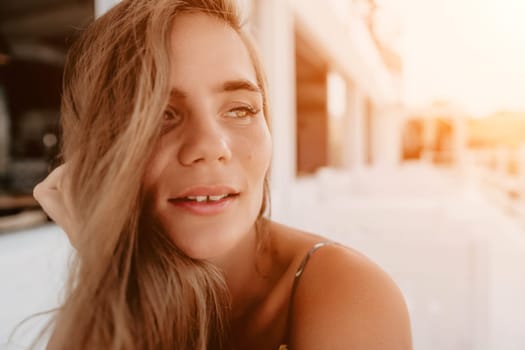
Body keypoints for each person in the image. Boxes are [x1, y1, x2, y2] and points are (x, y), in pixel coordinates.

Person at [33, 0, 412, 349]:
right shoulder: (98, 308)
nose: (211, 146)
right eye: (160, 114)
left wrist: (111, 268)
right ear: (97, 146)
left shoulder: (348, 295)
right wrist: (113, 272)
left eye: (240, 109)